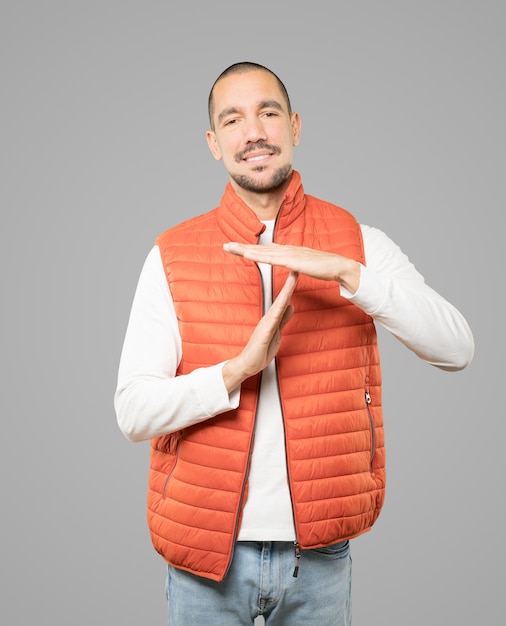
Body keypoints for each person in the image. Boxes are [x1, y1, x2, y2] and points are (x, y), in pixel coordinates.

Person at [114, 61, 474, 625]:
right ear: (214, 143)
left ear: (296, 126)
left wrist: (351, 275)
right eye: (232, 119)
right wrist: (236, 371)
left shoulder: (358, 242)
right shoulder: (171, 253)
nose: (252, 131)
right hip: (204, 556)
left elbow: (456, 348)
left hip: (321, 558)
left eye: (268, 112)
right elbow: (133, 413)